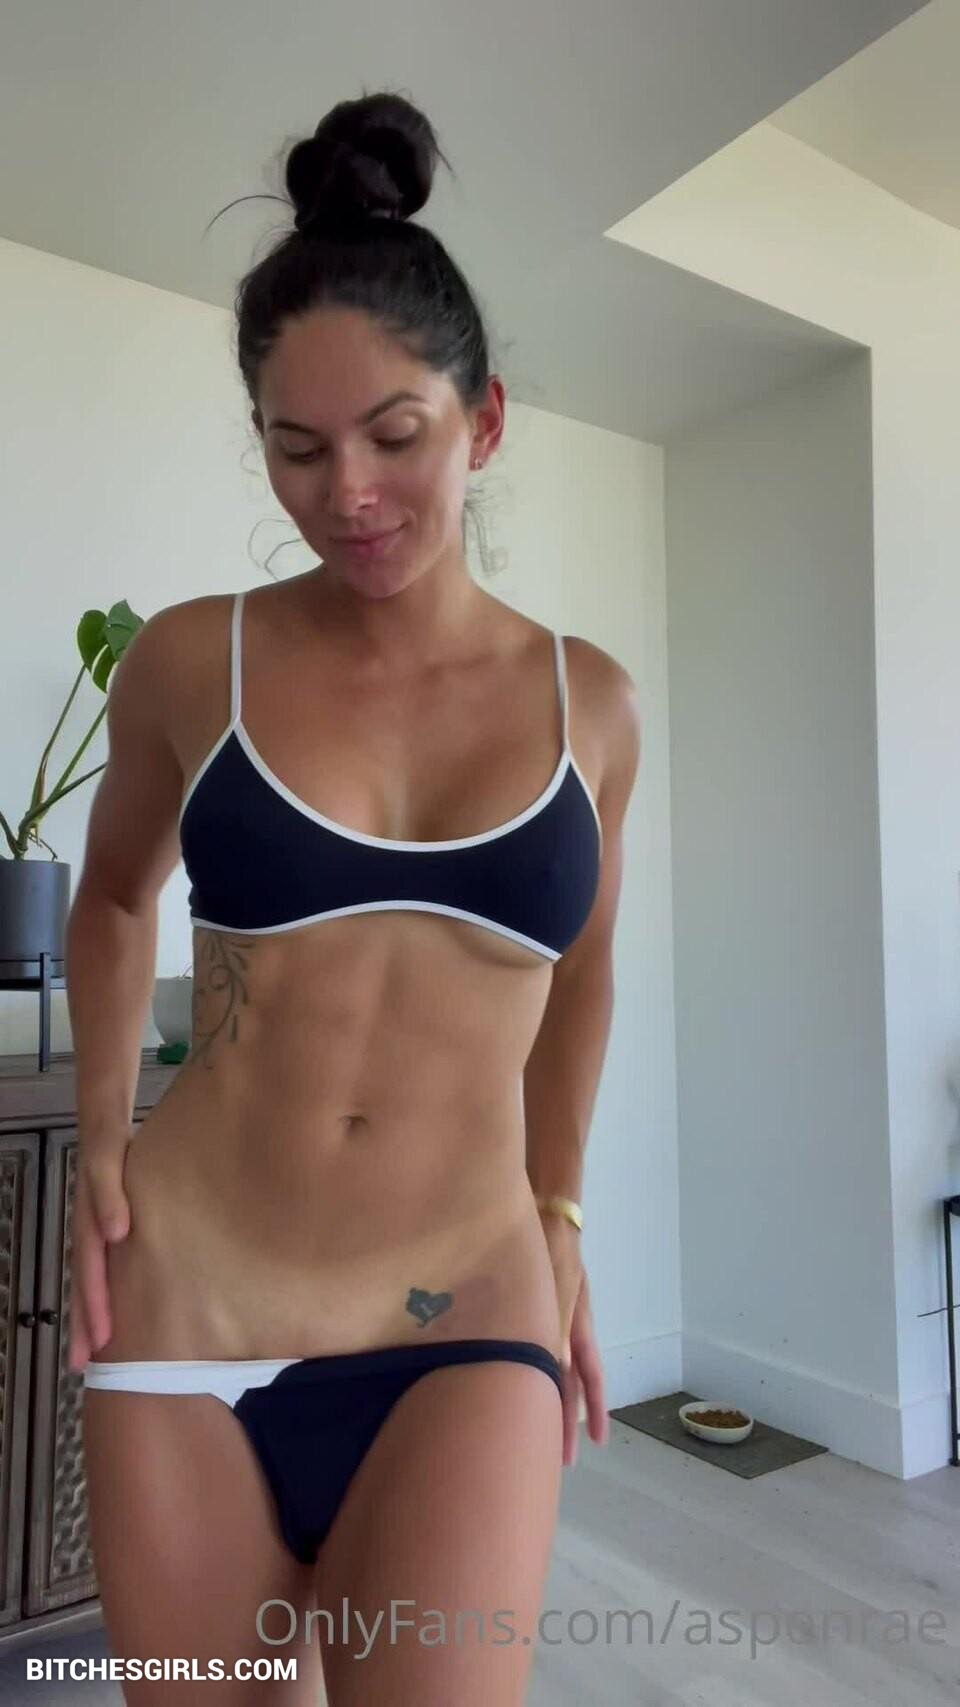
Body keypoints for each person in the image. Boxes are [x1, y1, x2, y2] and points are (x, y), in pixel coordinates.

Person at [68, 89, 641, 1706]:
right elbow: (111, 902)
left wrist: (562, 1215)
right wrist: (100, 1136)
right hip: (194, 1302)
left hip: (461, 1309)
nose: (350, 495)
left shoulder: (590, 705)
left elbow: (585, 974)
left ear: (485, 420)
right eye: (298, 449)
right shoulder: (195, 660)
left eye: (397, 435)